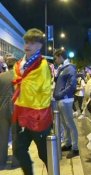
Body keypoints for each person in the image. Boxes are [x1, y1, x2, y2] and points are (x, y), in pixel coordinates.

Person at [12, 28, 53, 175]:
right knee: (18, 150)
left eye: (32, 42)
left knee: (44, 153)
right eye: (26, 42)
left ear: (40, 45)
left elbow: (46, 92)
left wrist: (35, 110)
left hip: (38, 116)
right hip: (20, 114)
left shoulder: (42, 66)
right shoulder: (18, 65)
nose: (27, 45)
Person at [53, 49, 79, 158]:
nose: (55, 60)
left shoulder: (70, 68)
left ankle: (75, 148)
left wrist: (60, 94)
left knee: (70, 124)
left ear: (60, 56)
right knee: (65, 124)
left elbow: (72, 85)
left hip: (66, 99)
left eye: (56, 57)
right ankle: (68, 143)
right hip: (61, 99)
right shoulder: (63, 68)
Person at [0, 56, 17, 169]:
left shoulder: (1, 76)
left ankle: (2, 160)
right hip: (16, 109)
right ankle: (15, 161)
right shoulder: (19, 76)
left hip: (2, 109)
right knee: (16, 136)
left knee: (3, 136)